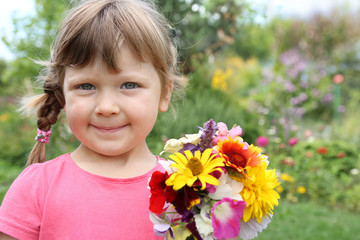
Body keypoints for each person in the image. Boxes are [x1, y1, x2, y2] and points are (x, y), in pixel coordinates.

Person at [0, 0, 187, 239]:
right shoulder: (37, 188)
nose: (106, 107)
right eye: (86, 86)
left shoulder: (185, 188)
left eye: (129, 85)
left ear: (164, 93)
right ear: (63, 94)